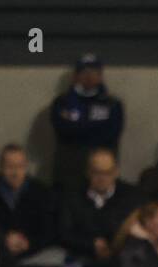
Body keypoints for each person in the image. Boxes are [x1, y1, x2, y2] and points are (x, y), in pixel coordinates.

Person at [49, 54, 125, 192]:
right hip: (69, 174)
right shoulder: (62, 103)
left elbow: (110, 135)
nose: (89, 76)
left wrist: (80, 127)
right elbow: (64, 132)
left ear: (101, 75)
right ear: (76, 75)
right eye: (85, 72)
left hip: (102, 174)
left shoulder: (112, 104)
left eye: (94, 72)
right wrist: (94, 127)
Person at [0, 144, 56, 267]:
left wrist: (29, 243)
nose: (15, 172)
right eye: (10, 167)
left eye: (20, 166)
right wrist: (2, 240)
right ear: (1, 168)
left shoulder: (42, 193)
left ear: (26, 167)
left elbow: (51, 229)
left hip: (35, 261)